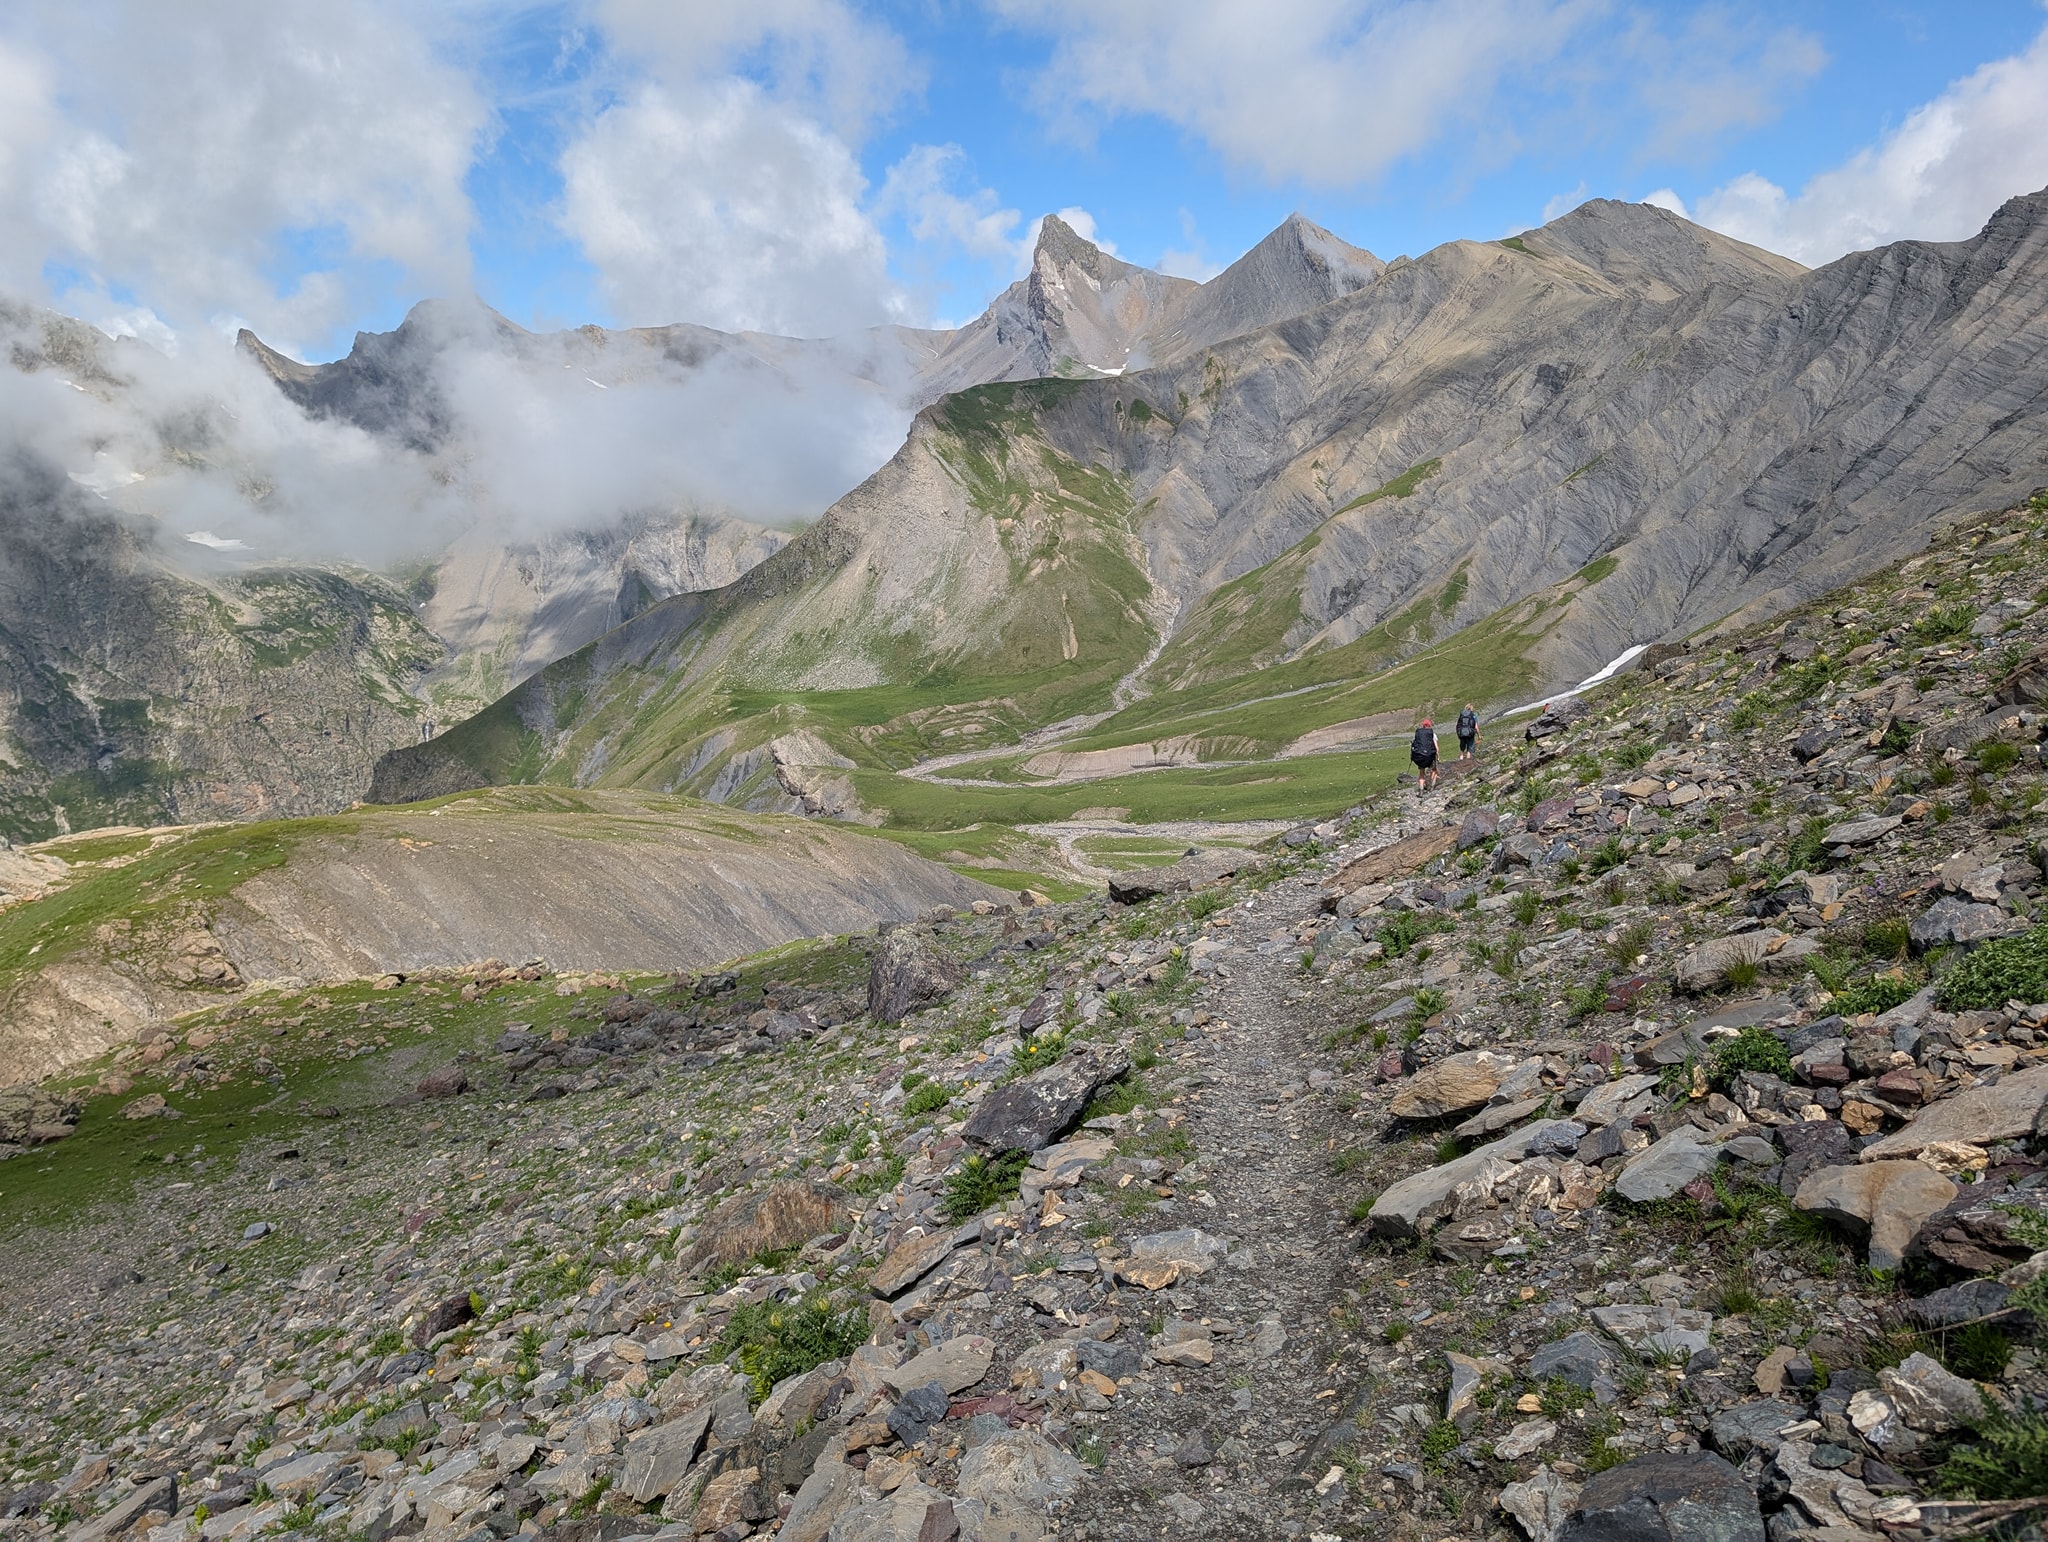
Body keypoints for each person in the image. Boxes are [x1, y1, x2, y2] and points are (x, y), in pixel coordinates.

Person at [1409, 717, 1440, 794]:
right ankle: (1432, 787)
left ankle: (1421, 791)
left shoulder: (1419, 734)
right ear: (1430, 725)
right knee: (1434, 770)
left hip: (1420, 756)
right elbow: (1436, 747)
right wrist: (1438, 756)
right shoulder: (1432, 734)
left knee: (1421, 773)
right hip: (1430, 756)